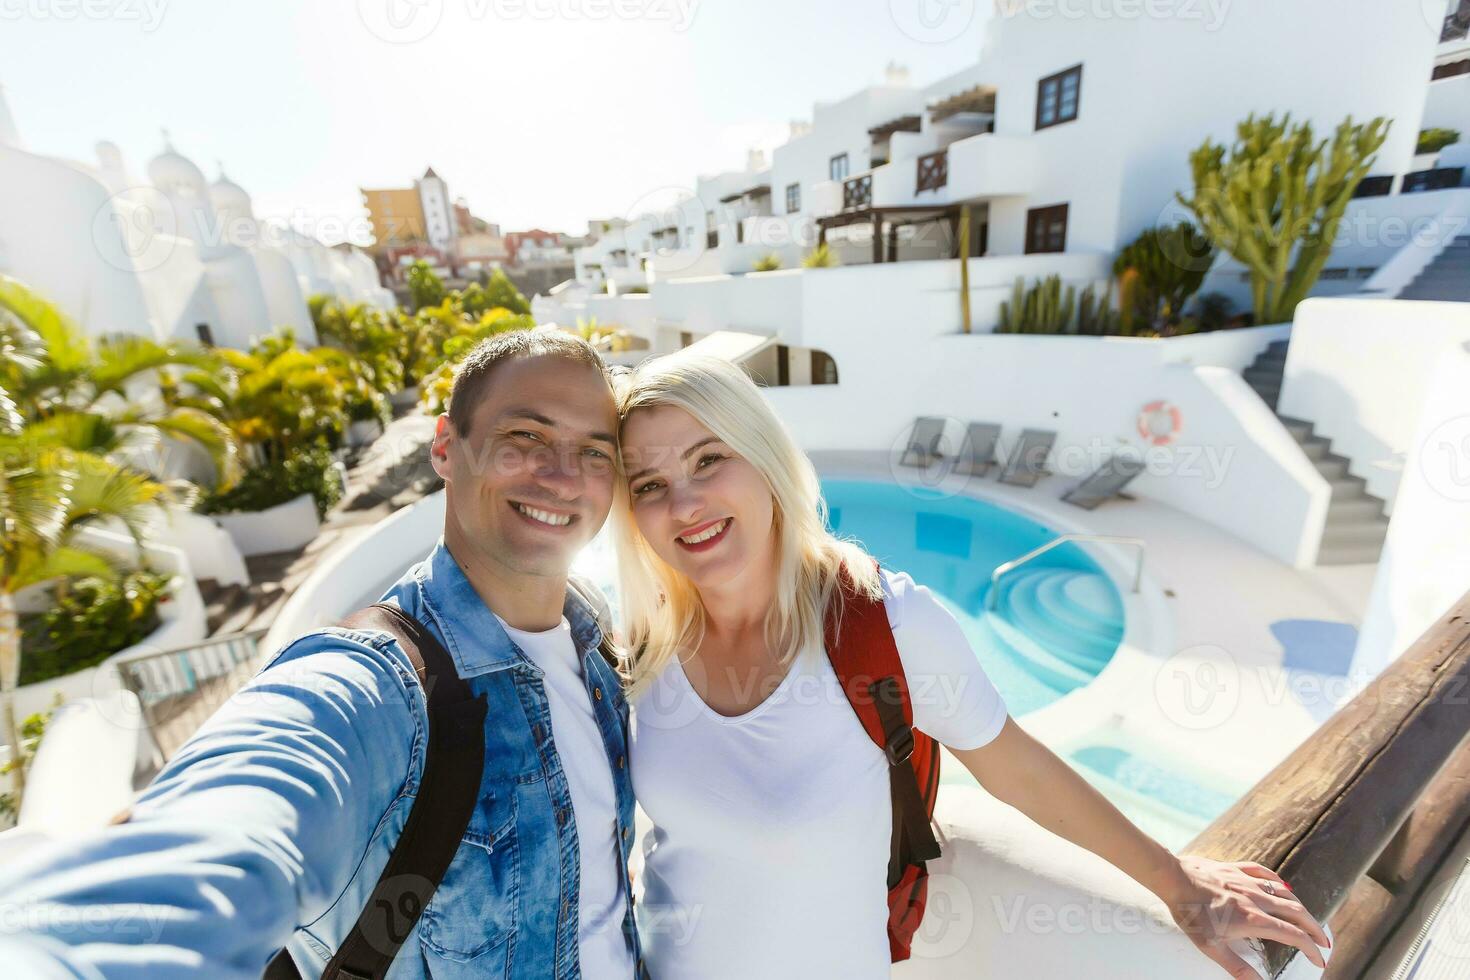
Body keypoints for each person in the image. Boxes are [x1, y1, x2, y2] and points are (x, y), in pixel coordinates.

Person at [609, 352, 1333, 979]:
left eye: (709, 460)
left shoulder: (885, 623)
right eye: (648, 485)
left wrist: (1178, 885)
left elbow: (1015, 767)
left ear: (763, 456)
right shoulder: (645, 643)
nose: (684, 503)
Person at [0, 330, 643, 979]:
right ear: (447, 446)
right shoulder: (378, 686)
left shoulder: (593, 640)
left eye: (594, 451)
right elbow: (210, 845)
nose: (563, 477)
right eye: (524, 438)